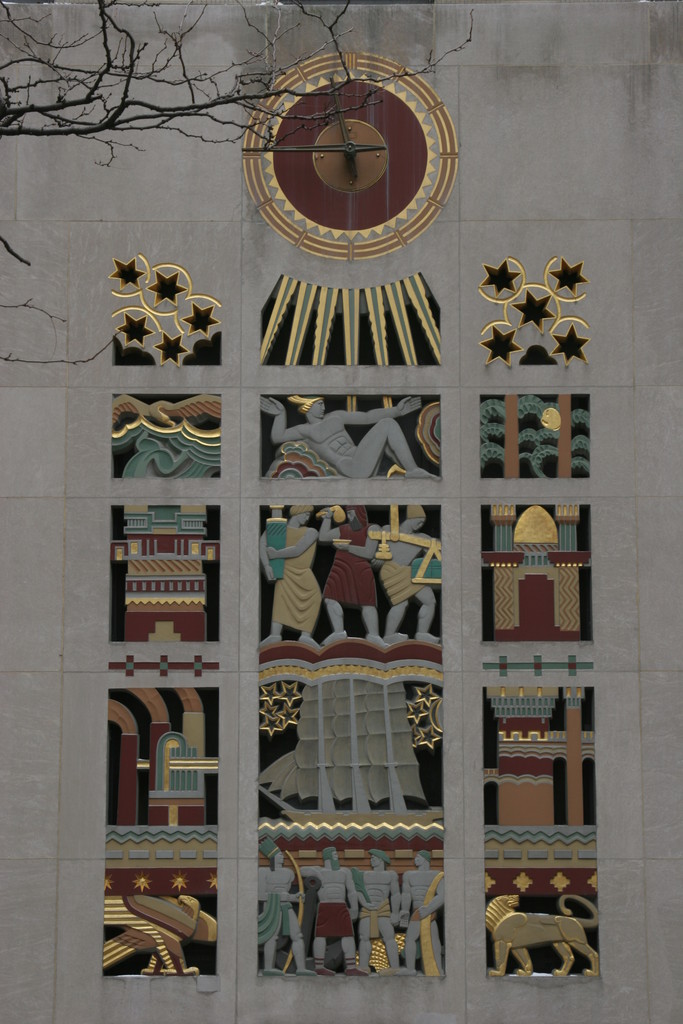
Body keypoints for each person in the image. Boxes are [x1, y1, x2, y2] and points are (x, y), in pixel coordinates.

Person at [260, 394, 433, 479]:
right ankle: (412, 470)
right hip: (350, 467)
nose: (323, 408)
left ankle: (410, 470)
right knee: (387, 425)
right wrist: (281, 414)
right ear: (308, 407)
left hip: (361, 458)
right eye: (319, 404)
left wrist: (396, 411)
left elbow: (366, 417)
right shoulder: (304, 431)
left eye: (323, 404)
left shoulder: (336, 416)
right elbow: (277, 437)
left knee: (387, 426)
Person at [318, 505, 384, 647]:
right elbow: (323, 537)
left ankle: (374, 635)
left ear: (361, 513)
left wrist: (348, 547)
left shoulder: (372, 528)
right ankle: (338, 632)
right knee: (329, 598)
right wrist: (327, 519)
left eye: (352, 513)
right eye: (348, 514)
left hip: (361, 570)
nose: (349, 517)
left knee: (367, 603)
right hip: (340, 567)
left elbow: (369, 553)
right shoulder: (344, 529)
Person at [376, 505, 440, 644]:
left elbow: (436, 551)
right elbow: (374, 543)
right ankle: (389, 636)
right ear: (411, 516)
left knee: (430, 600)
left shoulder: (423, 538)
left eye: (423, 522)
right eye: (419, 520)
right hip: (391, 570)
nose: (421, 524)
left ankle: (422, 633)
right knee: (401, 603)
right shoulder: (389, 529)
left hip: (408, 572)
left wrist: (437, 544)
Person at [259, 505, 321, 647]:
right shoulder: (277, 529)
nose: (307, 518)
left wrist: (276, 554)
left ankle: (306, 635)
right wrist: (267, 565)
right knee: (281, 601)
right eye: (306, 514)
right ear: (296, 512)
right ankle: (275, 635)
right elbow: (262, 544)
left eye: (309, 515)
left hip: (303, 574)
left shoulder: (311, 532)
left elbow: (298, 549)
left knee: (315, 597)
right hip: (285, 572)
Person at [301, 846, 367, 976]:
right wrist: (317, 873)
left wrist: (354, 908)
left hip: (341, 906)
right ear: (328, 856)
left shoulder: (344, 872)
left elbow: (352, 891)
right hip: (325, 906)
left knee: (348, 936)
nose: (337, 857)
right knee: (320, 936)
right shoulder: (319, 871)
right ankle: (319, 966)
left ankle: (351, 967)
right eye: (335, 855)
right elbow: (302, 870)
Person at [257, 838, 315, 976]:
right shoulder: (263, 872)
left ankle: (301, 968)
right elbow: (261, 895)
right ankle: (268, 968)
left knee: (297, 935)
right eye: (278, 854)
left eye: (281, 854)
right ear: (272, 857)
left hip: (286, 906)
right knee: (272, 937)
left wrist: (296, 897)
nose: (282, 856)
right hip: (271, 907)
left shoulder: (288, 873)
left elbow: (288, 894)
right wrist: (287, 897)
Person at [354, 850, 401, 973]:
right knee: (364, 937)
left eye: (373, 858)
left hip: (383, 909)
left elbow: (395, 894)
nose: (371, 860)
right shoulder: (364, 874)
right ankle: (363, 966)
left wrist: (395, 913)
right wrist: (364, 903)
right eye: (370, 858)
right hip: (367, 909)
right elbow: (358, 890)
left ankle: (394, 967)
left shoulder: (390, 875)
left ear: (381, 859)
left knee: (389, 937)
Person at [398, 850, 444, 975]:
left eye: (418, 857)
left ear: (425, 859)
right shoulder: (408, 875)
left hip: (430, 912)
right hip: (417, 912)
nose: (415, 859)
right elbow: (406, 896)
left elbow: (442, 895)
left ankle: (438, 969)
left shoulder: (437, 875)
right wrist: (404, 914)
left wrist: (429, 909)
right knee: (410, 939)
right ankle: (410, 968)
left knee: (433, 941)